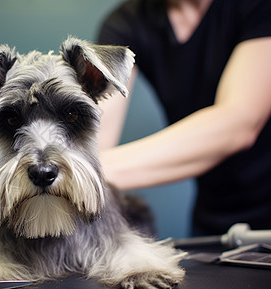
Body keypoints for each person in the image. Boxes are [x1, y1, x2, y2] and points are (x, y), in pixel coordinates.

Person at [97, 0, 271, 236]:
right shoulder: (127, 21)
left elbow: (240, 121)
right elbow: (96, 137)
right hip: (213, 220)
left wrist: (83, 170)